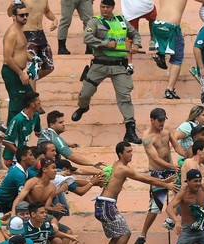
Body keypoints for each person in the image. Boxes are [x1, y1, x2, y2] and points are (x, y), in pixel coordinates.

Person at [95, 141, 176, 244]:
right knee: (125, 233)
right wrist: (165, 185)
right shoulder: (122, 168)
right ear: (120, 154)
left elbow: (145, 178)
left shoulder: (118, 165)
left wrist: (162, 181)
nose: (131, 154)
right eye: (128, 152)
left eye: (131, 151)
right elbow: (143, 178)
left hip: (104, 204)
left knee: (117, 236)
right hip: (106, 205)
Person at [71, 0, 143, 145]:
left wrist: (136, 44)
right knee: (85, 93)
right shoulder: (94, 21)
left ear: (113, 8)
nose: (104, 9)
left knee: (125, 97)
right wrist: (105, 44)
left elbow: (135, 34)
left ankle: (130, 129)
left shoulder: (121, 20)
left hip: (119, 66)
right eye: (102, 6)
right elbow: (88, 37)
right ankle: (83, 107)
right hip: (99, 64)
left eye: (107, 7)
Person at [134, 108, 181, 244]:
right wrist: (173, 166)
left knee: (185, 194)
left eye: (163, 120)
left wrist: (187, 157)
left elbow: (177, 147)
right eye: (159, 120)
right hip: (158, 173)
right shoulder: (147, 137)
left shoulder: (167, 129)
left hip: (171, 169)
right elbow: (155, 158)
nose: (162, 123)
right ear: (152, 120)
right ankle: (143, 235)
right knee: (155, 207)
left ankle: (170, 220)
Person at [37, 111, 105, 171]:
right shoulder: (55, 138)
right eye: (60, 123)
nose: (63, 124)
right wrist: (92, 163)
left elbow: (56, 142)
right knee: (68, 169)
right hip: (46, 168)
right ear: (52, 125)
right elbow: (71, 156)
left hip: (40, 165)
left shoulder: (46, 132)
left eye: (63, 122)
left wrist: (69, 144)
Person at [2, 4, 35, 126]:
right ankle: (8, 137)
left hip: (18, 72)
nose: (25, 17)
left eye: (26, 14)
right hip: (12, 72)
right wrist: (21, 73)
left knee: (31, 99)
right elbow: (7, 57)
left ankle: (10, 130)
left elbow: (21, 51)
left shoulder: (20, 30)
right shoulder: (12, 33)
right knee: (16, 104)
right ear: (14, 16)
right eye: (22, 15)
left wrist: (34, 58)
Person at [151, 0, 188, 99]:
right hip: (171, 26)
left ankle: (160, 54)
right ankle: (170, 89)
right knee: (177, 59)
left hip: (157, 24)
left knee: (164, 41)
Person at [0, 147, 35, 215]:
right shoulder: (19, 174)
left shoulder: (16, 168)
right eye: (31, 155)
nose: (33, 158)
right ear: (23, 158)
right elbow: (21, 196)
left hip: (1, 201)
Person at [3, 90, 42, 166]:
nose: (40, 105)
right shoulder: (18, 120)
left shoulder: (36, 116)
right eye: (39, 103)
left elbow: (39, 134)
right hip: (13, 158)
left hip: (24, 155)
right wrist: (21, 155)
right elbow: (6, 142)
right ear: (32, 104)